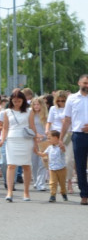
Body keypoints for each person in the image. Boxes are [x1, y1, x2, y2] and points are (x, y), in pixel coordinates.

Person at [0, 89, 38, 202]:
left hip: (25, 139)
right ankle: (9, 191)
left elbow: (32, 126)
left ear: (23, 100)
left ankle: (26, 192)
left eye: (19, 101)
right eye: (14, 101)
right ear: (11, 101)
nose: (17, 103)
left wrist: (35, 142)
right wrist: (2, 140)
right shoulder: (7, 112)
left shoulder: (29, 111)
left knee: (26, 165)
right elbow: (5, 128)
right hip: (12, 139)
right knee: (11, 165)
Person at [60, 75, 88, 205]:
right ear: (79, 83)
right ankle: (84, 194)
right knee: (80, 166)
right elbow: (67, 120)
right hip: (78, 135)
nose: (87, 85)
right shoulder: (72, 99)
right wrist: (61, 138)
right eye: (85, 83)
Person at [47, 91, 74, 193]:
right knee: (56, 159)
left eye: (63, 100)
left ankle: (69, 181)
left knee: (69, 160)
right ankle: (58, 181)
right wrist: (47, 130)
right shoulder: (53, 109)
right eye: (58, 100)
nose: (61, 102)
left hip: (68, 135)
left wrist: (67, 122)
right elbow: (49, 122)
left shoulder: (70, 109)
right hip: (56, 136)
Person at [36, 130, 68, 202]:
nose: (48, 140)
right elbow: (44, 154)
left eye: (49, 138)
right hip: (52, 169)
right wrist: (37, 152)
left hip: (61, 168)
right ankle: (52, 195)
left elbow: (64, 150)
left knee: (62, 183)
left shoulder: (60, 147)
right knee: (52, 182)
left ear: (56, 138)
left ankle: (63, 193)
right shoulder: (50, 147)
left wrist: (62, 144)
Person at [30, 96, 51, 192]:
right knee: (34, 163)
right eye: (34, 104)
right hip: (33, 140)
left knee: (42, 162)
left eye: (38, 104)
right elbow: (28, 127)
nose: (36, 106)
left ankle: (41, 183)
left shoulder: (46, 116)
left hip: (44, 141)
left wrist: (44, 136)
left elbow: (49, 128)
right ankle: (36, 181)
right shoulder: (30, 115)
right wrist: (35, 135)